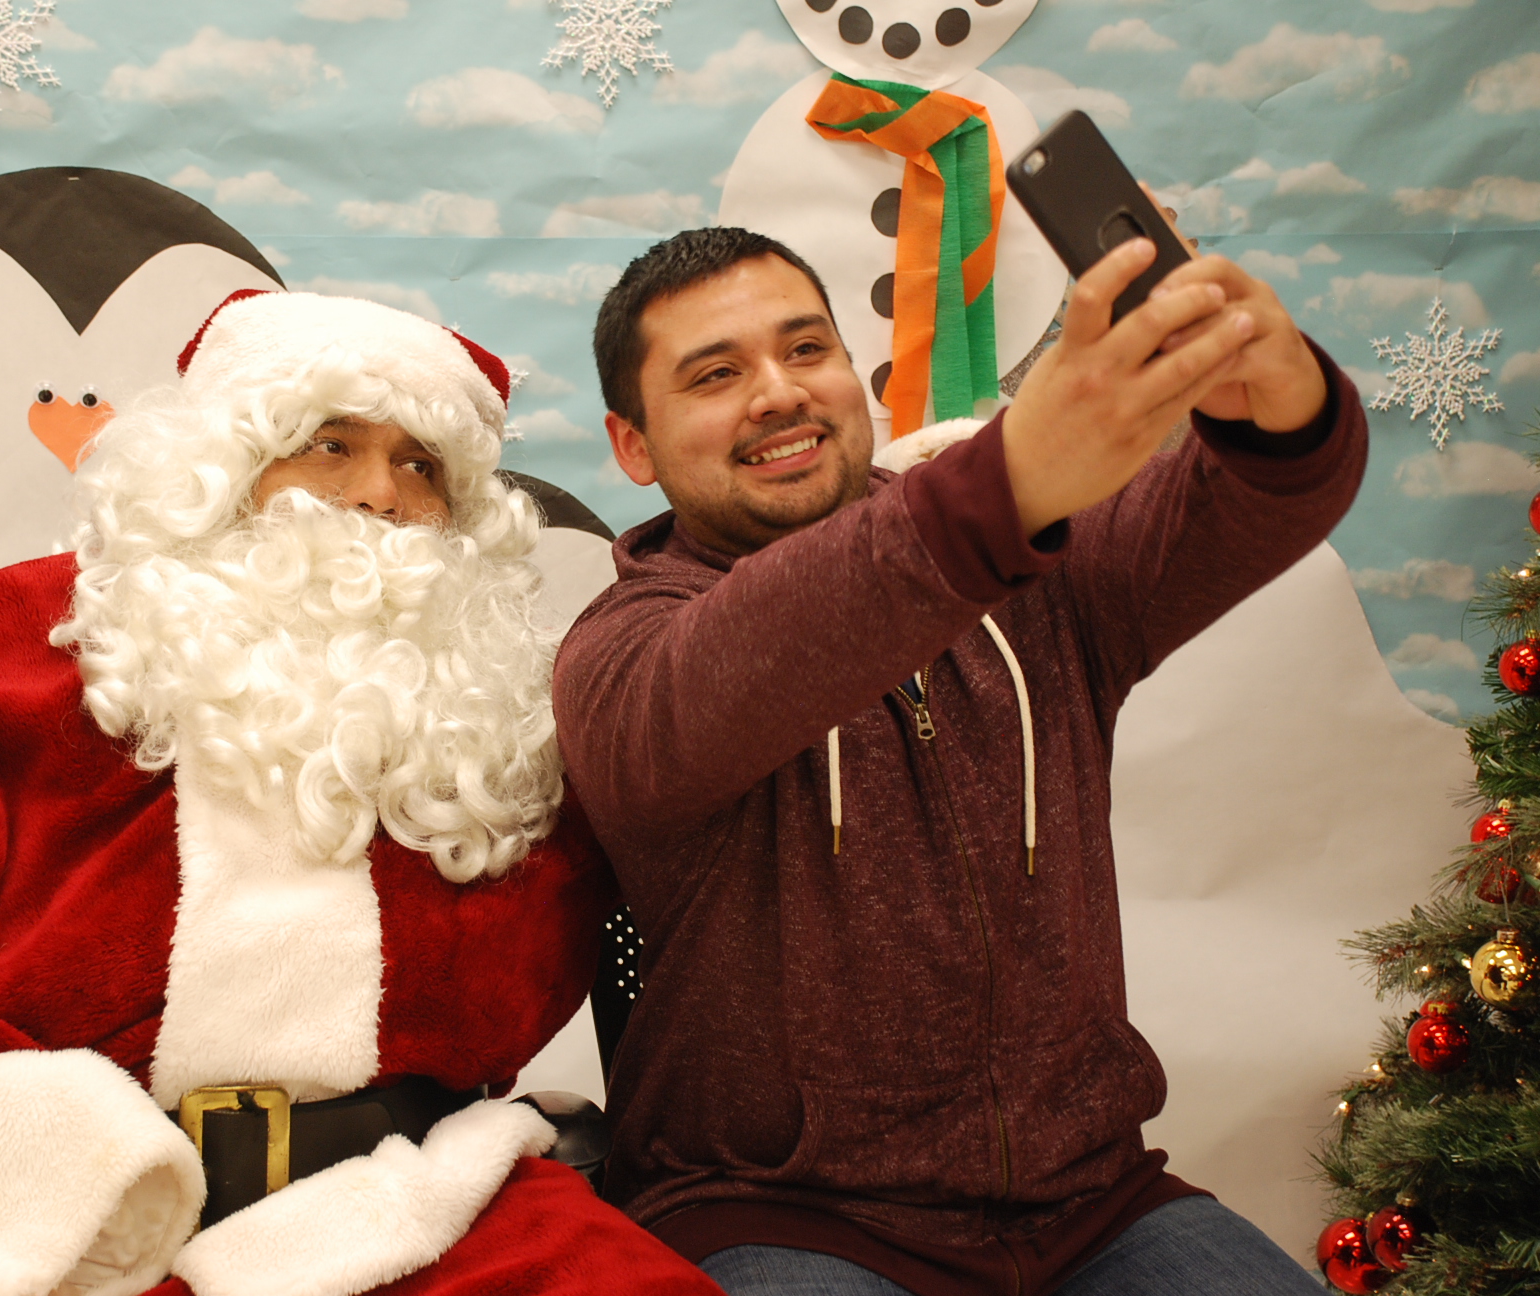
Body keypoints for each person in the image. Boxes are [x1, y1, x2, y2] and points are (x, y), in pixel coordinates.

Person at [0, 290, 722, 1296]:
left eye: (420, 465)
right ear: (219, 468)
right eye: (330, 446)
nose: (379, 494)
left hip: (409, 1207)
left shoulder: (492, 711)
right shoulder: (17, 637)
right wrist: (16, 1154)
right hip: (53, 1223)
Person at [552, 226, 1367, 1296]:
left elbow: (1266, 494)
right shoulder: (622, 655)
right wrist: (1017, 473)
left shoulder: (1027, 565)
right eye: (715, 374)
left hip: (1094, 1204)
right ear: (634, 447)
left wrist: (1278, 392)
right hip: (778, 1217)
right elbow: (769, 643)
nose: (777, 394)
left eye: (806, 350)